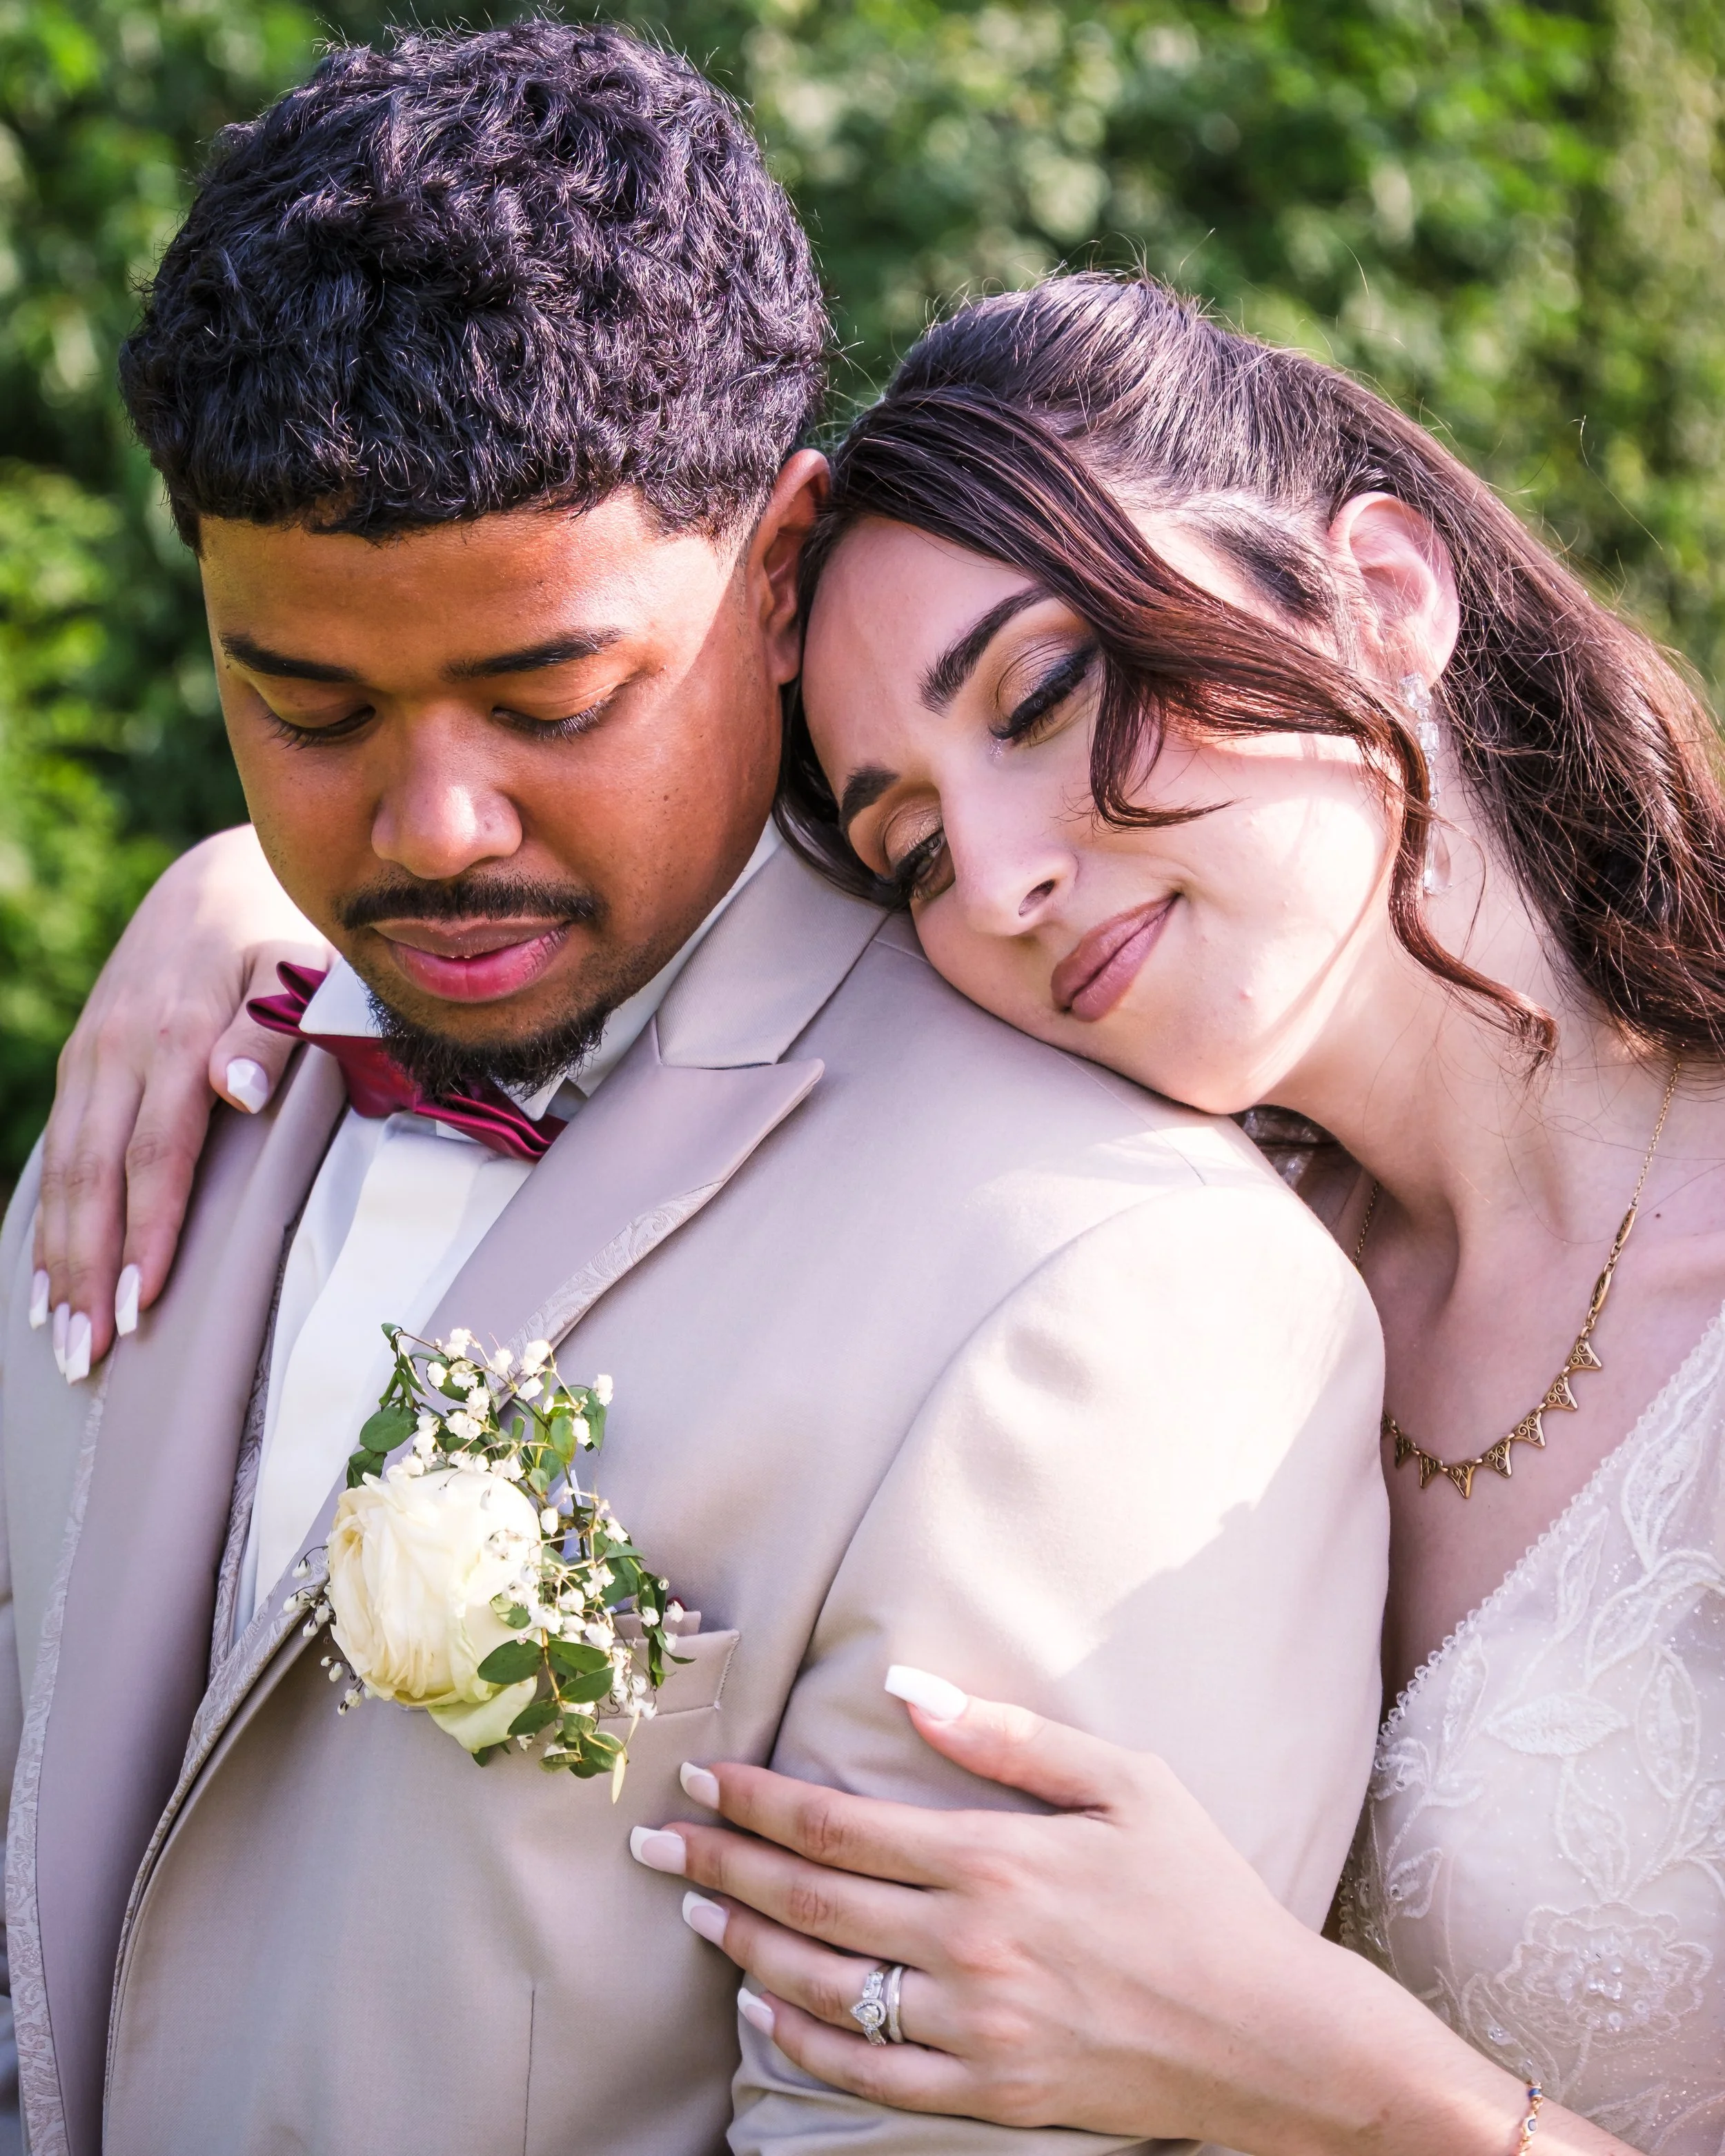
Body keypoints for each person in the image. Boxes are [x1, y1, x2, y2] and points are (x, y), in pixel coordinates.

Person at [50, 270, 1725, 2154]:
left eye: (1044, 692)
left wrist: (1336, 2076)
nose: (1001, 875)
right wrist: (262, 899)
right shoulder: (1159, 1250)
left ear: (1384, 592)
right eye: (908, 842)